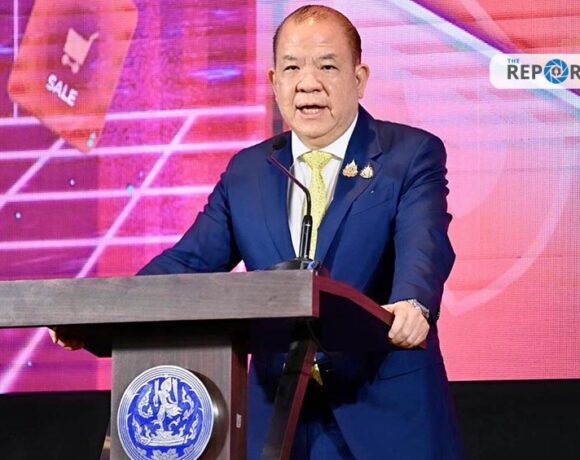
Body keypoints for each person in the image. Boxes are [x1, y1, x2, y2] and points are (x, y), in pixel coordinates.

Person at [52, 5, 462, 458]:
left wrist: (413, 302)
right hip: (278, 418)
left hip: (384, 414)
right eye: (292, 68)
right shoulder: (248, 171)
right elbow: (187, 263)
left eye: (327, 66)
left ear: (359, 78)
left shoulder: (409, 154)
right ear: (273, 81)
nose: (308, 83)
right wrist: (103, 314)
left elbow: (424, 242)